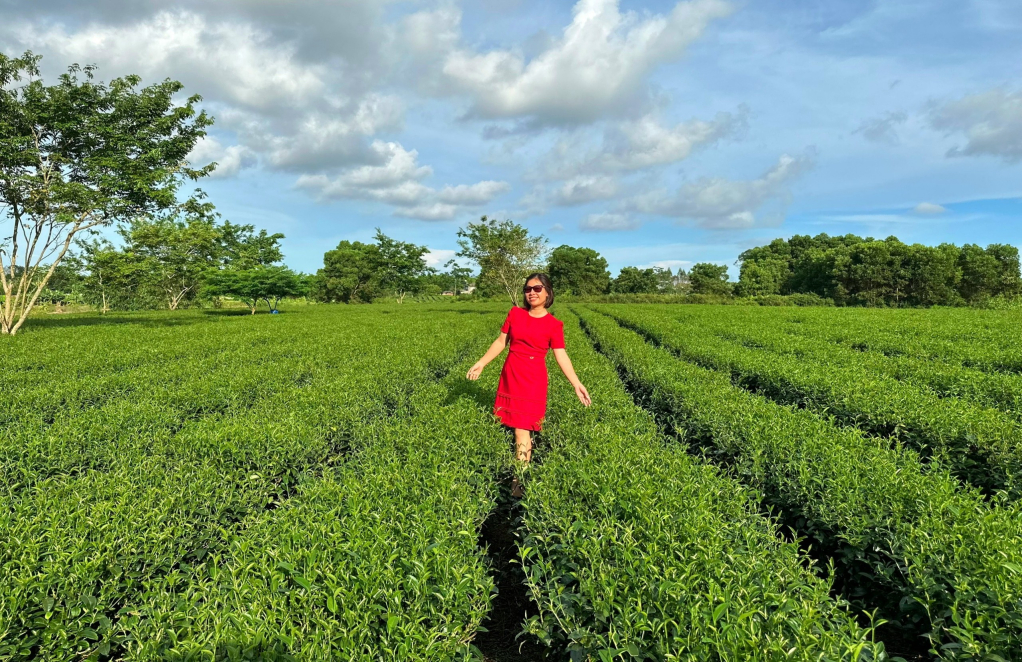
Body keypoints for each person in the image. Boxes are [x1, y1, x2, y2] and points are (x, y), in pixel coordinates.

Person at [466, 273, 592, 495]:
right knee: (510, 425)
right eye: (527, 289)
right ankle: (516, 479)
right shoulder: (515, 314)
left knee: (521, 430)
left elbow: (561, 355)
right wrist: (481, 363)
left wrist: (576, 383)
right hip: (511, 374)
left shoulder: (554, 324)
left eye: (537, 288)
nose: (532, 292)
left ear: (548, 292)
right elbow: (501, 341)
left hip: (533, 379)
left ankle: (518, 483)